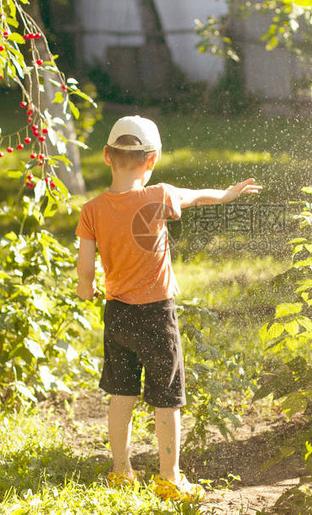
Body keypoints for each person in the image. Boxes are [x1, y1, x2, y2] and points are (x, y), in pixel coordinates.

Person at [75, 115, 262, 502]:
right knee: (167, 398)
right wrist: (227, 195)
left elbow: (85, 266)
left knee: (121, 395)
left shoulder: (91, 210)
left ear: (107, 156)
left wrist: (85, 288)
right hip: (157, 315)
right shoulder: (158, 196)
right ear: (153, 159)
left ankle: (120, 470)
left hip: (118, 315)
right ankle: (169, 478)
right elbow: (194, 196)